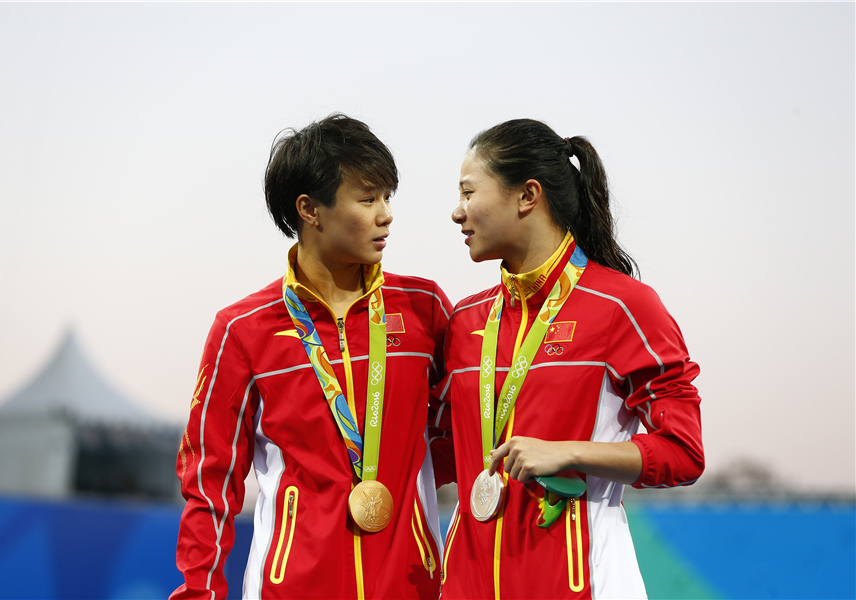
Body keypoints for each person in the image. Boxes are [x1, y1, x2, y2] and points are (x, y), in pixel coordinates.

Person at [171, 114, 452, 600]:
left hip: (412, 585)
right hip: (292, 586)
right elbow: (208, 482)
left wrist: (410, 500)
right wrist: (200, 593)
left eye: (388, 197)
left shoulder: (424, 309)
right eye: (367, 199)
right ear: (310, 209)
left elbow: (466, 437)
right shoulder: (243, 330)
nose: (385, 214)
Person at [434, 119, 704, 599]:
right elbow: (435, 455)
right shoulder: (464, 320)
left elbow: (683, 452)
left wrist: (570, 451)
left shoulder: (623, 306)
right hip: (465, 584)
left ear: (527, 195)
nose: (458, 212)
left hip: (584, 581)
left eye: (469, 192)